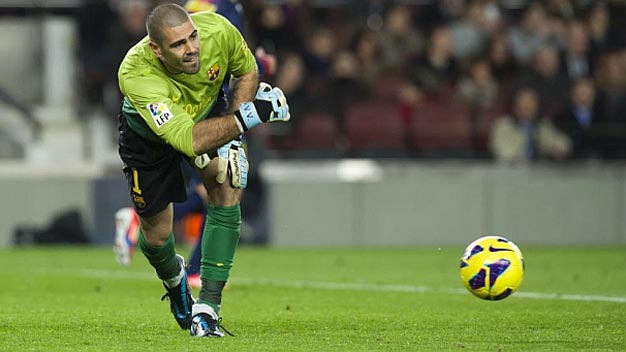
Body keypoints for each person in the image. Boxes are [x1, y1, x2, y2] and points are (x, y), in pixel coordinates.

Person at [116, 3, 290, 338]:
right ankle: (175, 280)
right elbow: (186, 139)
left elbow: (248, 70)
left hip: (207, 115)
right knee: (156, 237)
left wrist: (234, 139)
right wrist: (251, 116)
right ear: (156, 49)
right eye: (178, 45)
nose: (192, 48)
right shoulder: (135, 73)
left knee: (227, 183)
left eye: (192, 37)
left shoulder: (218, 30)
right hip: (149, 139)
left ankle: (207, 309)